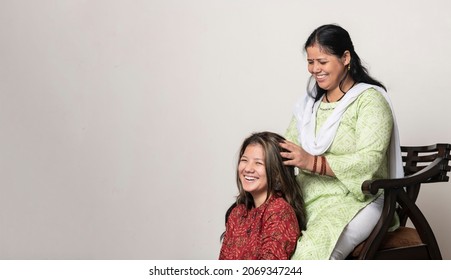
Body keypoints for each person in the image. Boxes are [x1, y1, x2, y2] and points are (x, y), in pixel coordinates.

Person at [279, 24, 403, 260]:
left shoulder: (369, 101)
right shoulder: (309, 107)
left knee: (313, 252)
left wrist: (312, 162)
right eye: (310, 62)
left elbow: (369, 161)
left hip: (357, 200)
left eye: (322, 62)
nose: (315, 69)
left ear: (346, 58)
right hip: (306, 199)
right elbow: (287, 149)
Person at [219, 131, 306, 260]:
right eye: (244, 160)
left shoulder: (279, 211)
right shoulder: (237, 213)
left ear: (276, 173)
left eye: (258, 163)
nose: (248, 168)